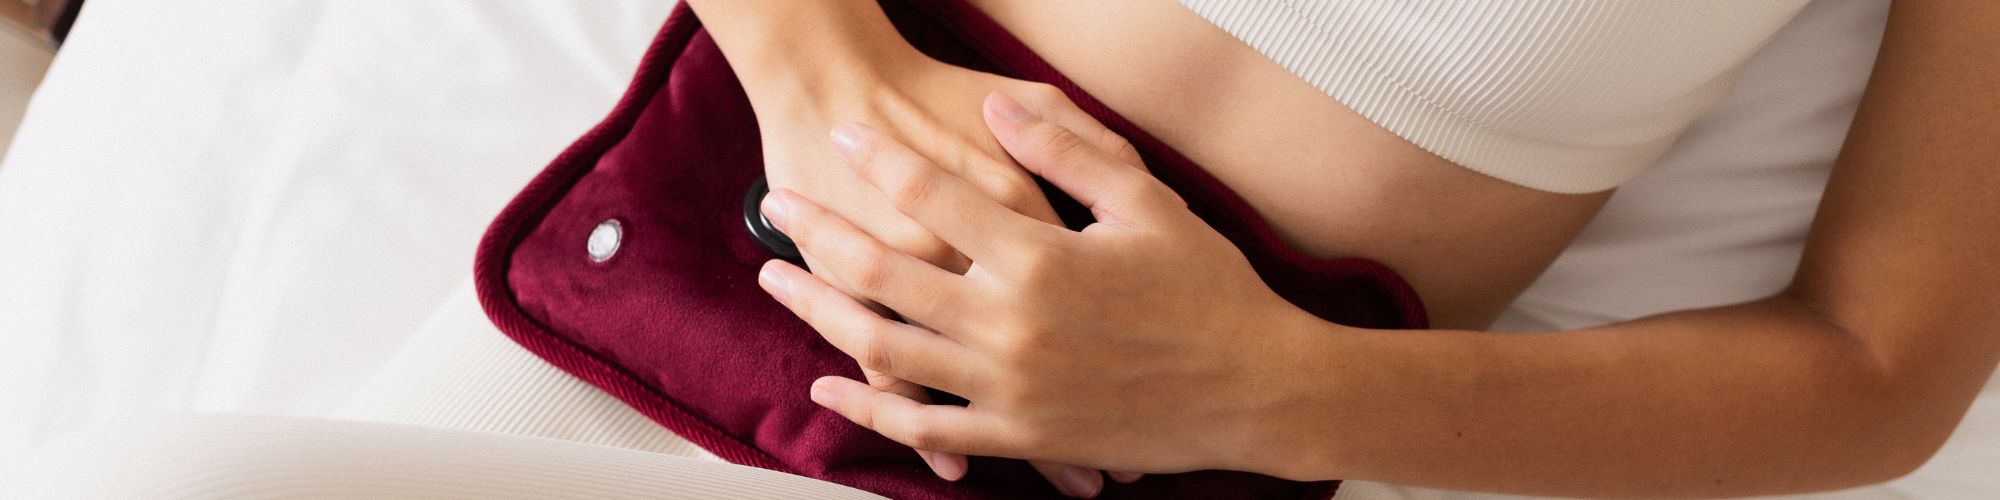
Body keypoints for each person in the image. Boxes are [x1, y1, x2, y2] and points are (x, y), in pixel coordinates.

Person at [12, 0, 1998, 498]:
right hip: (738, 250)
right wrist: (831, 80)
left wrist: (1272, 389)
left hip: (1128, 451)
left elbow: (1883, 367)